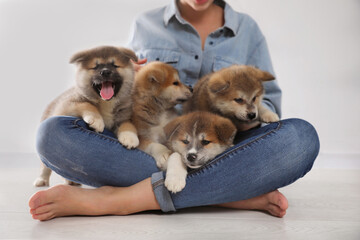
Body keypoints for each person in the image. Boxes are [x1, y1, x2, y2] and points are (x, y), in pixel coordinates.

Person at [29, 0, 320, 221]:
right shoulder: (147, 24)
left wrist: (244, 116)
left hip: (224, 152)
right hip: (158, 150)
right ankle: (230, 193)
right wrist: (126, 80)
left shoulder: (248, 30)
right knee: (52, 133)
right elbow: (123, 101)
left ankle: (120, 200)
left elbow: (269, 106)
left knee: (301, 138)